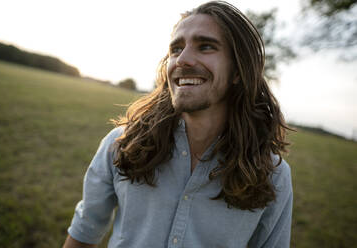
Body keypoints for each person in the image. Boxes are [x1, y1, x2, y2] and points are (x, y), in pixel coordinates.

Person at [63, 1, 293, 247]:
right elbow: (84, 232)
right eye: (176, 49)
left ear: (238, 71)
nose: (182, 60)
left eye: (205, 46)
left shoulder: (274, 175)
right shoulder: (121, 144)